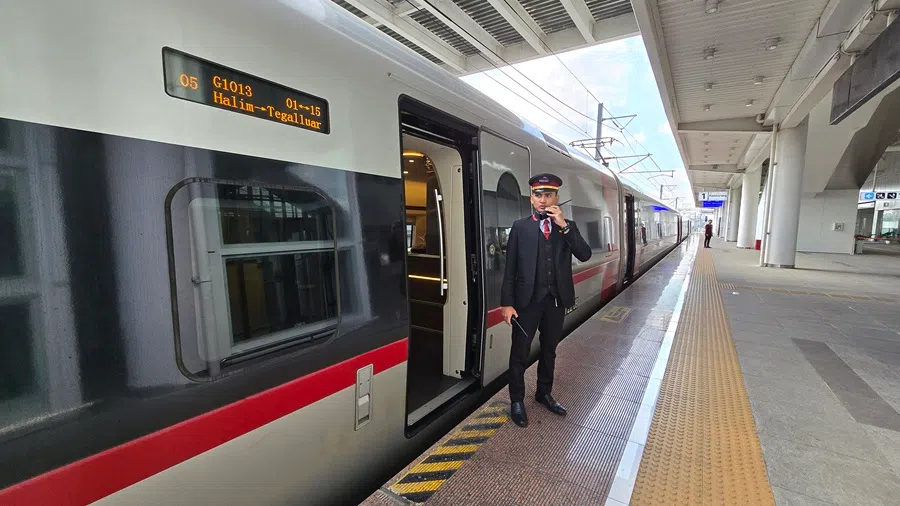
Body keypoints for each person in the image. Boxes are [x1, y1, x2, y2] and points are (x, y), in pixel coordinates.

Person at [499, 173, 592, 428]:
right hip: (526, 303)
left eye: (548, 195)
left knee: (549, 349)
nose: (543, 200)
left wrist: (564, 226)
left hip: (555, 301)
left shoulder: (567, 226)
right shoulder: (520, 227)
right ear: (531, 199)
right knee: (519, 353)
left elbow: (584, 254)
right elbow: (510, 269)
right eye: (538, 195)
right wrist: (506, 304)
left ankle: (543, 393)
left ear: (556, 198)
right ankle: (517, 401)